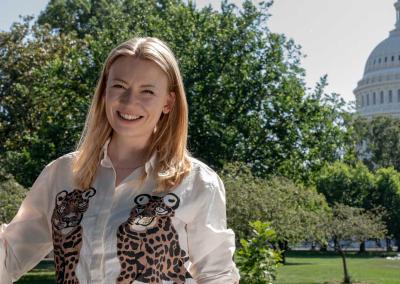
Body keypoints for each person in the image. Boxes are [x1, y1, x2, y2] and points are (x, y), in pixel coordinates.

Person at [0, 37, 240, 284]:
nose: (129, 102)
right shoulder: (62, 174)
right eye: (119, 86)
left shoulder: (198, 182)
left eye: (147, 91)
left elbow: (217, 275)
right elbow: (9, 258)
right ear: (105, 91)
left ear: (168, 102)